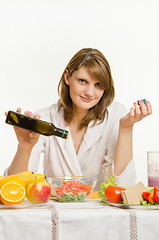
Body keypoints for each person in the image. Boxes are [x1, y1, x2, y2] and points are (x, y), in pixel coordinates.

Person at [5, 48, 152, 190]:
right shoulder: (46, 118)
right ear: (67, 77)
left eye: (98, 85)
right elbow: (14, 189)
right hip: (58, 213)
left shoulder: (115, 114)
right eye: (82, 81)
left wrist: (126, 128)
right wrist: (24, 147)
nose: (89, 92)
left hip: (101, 214)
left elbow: (122, 187)